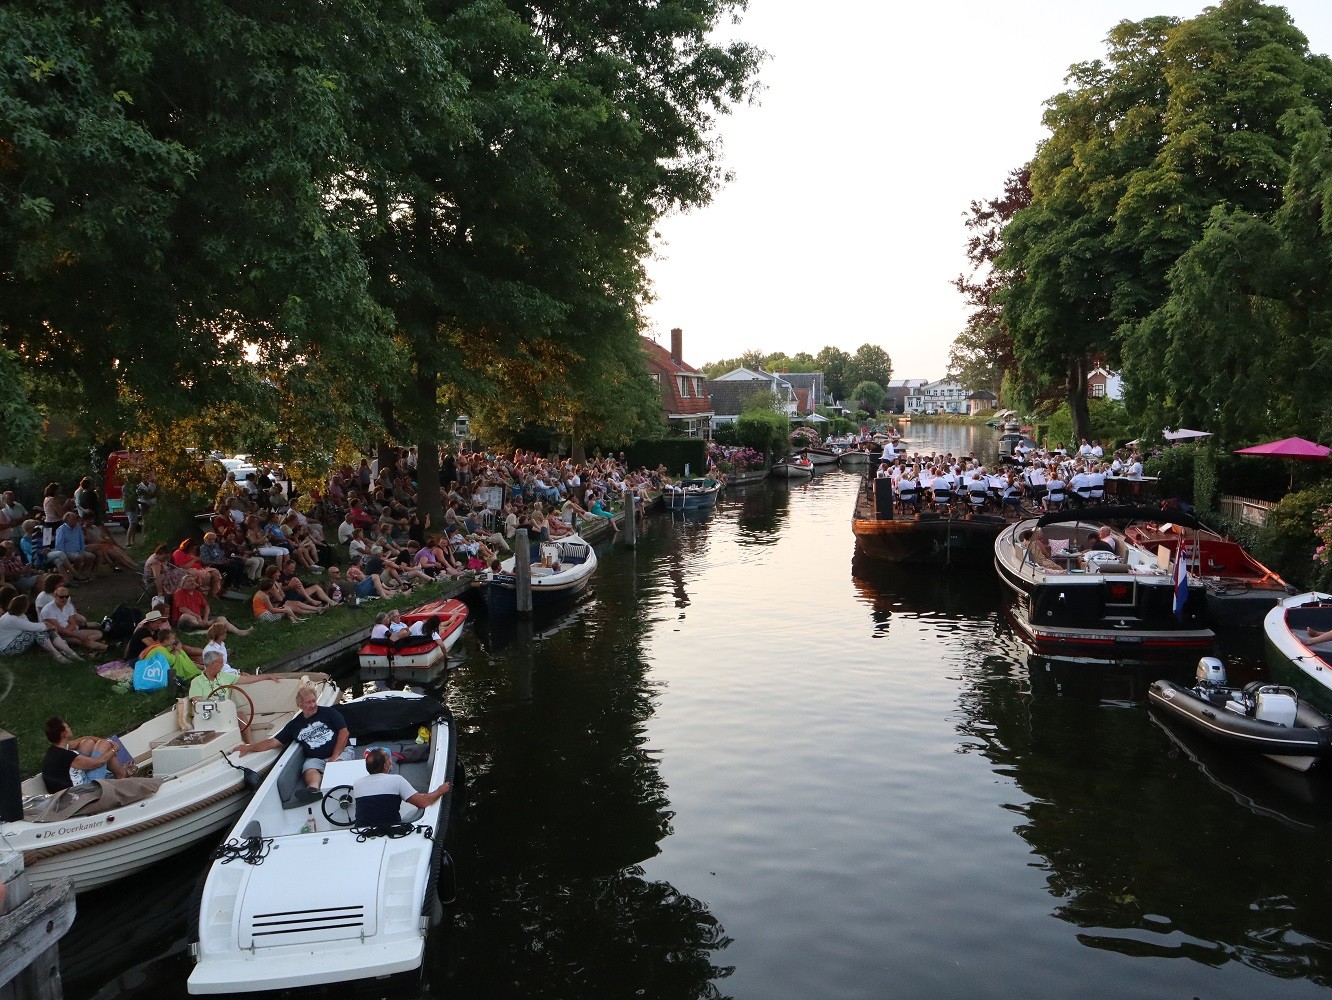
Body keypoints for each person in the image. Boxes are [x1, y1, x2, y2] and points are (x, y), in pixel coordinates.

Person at [238, 684, 348, 803]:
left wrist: (334, 757)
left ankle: (338, 789)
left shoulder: (328, 712)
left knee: (337, 767)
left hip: (340, 753)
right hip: (316, 759)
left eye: (313, 701)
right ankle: (313, 789)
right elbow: (273, 742)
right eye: (308, 702)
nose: (313, 705)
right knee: (309, 768)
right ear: (300, 705)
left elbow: (344, 733)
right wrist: (249, 748)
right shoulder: (294, 725)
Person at [352, 747, 451, 827]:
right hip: (391, 830)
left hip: (362, 832)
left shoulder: (357, 784)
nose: (391, 761)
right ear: (385, 766)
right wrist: (440, 791)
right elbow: (422, 802)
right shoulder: (397, 780)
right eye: (388, 759)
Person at [42, 716, 131, 792]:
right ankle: (121, 775)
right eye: (68, 727)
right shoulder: (69, 757)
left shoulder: (56, 749)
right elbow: (100, 762)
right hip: (84, 790)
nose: (70, 728)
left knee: (87, 743)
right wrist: (113, 749)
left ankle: (118, 771)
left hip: (67, 788)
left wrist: (103, 742)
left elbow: (84, 739)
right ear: (63, 734)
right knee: (104, 746)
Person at [0, 594, 81, 662]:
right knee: (37, 632)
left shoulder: (20, 615)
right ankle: (57, 654)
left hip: (17, 639)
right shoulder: (11, 619)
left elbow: (31, 626)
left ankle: (70, 652)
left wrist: (48, 627)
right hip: (7, 648)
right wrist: (49, 626)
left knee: (46, 631)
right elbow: (32, 627)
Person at [39, 584, 108, 655]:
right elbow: (59, 629)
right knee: (78, 639)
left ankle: (80, 642)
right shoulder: (48, 610)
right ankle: (104, 647)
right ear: (55, 596)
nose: (64, 599)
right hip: (57, 635)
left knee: (98, 633)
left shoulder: (68, 606)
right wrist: (77, 635)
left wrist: (71, 632)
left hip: (69, 630)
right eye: (61, 597)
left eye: (66, 597)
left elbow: (72, 623)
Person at [171, 575, 251, 634]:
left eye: (193, 581)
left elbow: (206, 606)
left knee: (222, 618)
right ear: (182, 583)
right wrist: (198, 617)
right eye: (189, 581)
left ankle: (239, 632)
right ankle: (206, 625)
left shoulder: (197, 593)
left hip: (200, 619)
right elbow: (182, 609)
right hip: (185, 620)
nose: (192, 582)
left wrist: (205, 618)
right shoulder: (179, 592)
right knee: (186, 616)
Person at [187, 649, 258, 699]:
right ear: (213, 664)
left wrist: (267, 676)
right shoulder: (196, 682)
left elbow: (247, 679)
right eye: (221, 662)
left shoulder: (224, 676)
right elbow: (198, 704)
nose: (223, 665)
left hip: (225, 712)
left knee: (241, 715)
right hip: (208, 716)